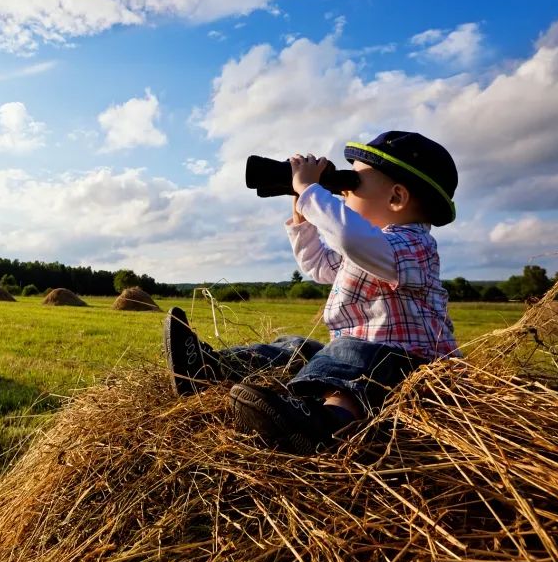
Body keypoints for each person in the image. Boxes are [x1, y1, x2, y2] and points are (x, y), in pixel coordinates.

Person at [164, 131, 460, 453]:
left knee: (351, 355)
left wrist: (310, 190)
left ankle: (325, 423)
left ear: (396, 198)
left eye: (353, 185)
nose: (344, 194)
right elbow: (319, 266)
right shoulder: (371, 248)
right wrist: (303, 218)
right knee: (296, 347)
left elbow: (349, 236)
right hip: (361, 356)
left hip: (412, 368)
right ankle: (209, 367)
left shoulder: (413, 246)